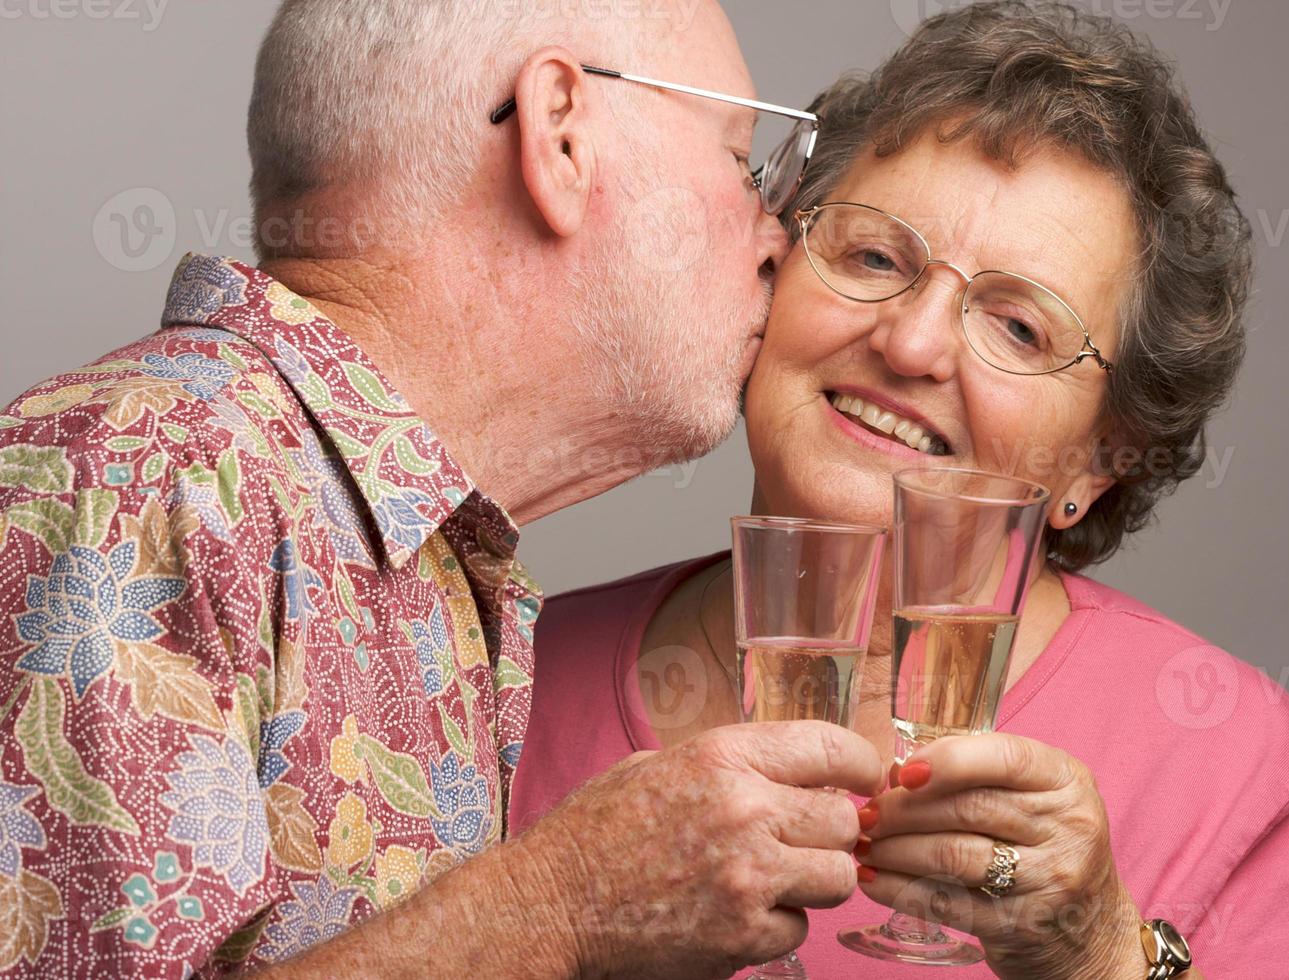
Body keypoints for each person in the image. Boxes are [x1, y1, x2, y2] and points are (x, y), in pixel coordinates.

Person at [511, 3, 1289, 977]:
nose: (909, 343)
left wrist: (1108, 958)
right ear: (772, 262)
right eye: (872, 256)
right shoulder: (505, 677)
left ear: (1100, 456)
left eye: (1018, 327)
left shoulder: (1233, 763)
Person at [0, 1, 886, 976]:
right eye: (741, 158)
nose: (775, 236)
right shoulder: (140, 473)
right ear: (559, 133)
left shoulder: (423, 552)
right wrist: (564, 904)